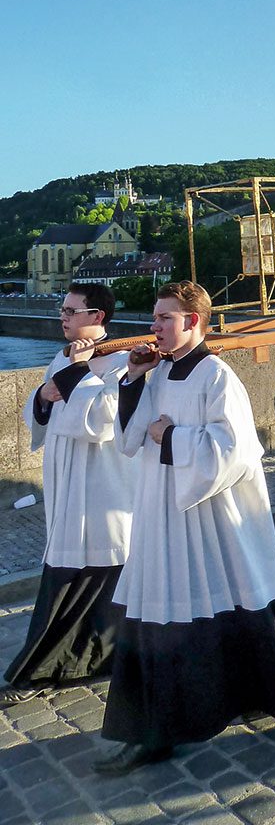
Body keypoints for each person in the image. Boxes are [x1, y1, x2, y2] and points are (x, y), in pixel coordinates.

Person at [94, 281, 275, 775]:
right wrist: (131, 381)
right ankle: (158, 725)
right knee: (165, 605)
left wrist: (171, 437)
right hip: (163, 511)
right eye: (154, 318)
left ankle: (172, 724)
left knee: (219, 600)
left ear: (193, 321)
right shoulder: (160, 372)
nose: (153, 328)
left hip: (206, 516)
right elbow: (131, 440)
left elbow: (233, 449)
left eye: (165, 319)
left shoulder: (217, 375)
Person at [0, 284, 135, 709]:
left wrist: (76, 372)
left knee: (83, 577)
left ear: (97, 317)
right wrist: (41, 397)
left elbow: (99, 421)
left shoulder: (121, 362)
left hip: (102, 484)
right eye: (62, 309)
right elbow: (42, 411)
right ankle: (87, 660)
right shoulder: (64, 356)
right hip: (65, 482)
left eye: (71, 310)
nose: (63, 316)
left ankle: (41, 668)